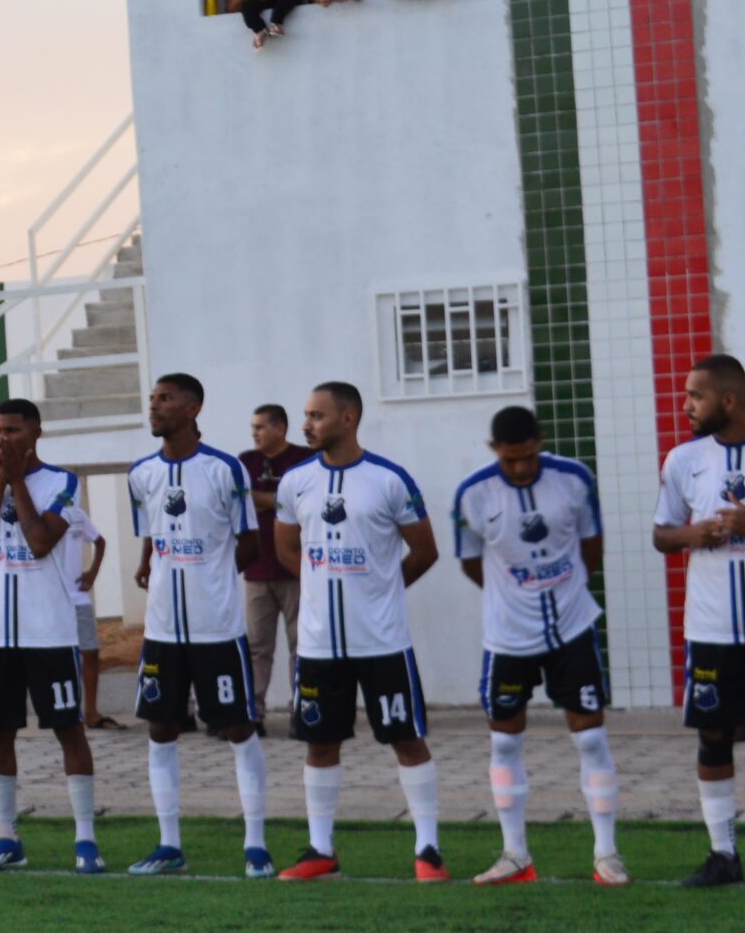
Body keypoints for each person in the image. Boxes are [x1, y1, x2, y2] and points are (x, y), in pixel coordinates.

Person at [271, 383, 443, 882]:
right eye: (305, 415)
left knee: (406, 739)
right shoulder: (294, 482)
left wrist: (381, 590)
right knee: (320, 743)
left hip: (383, 642)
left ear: (348, 419)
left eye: (317, 416)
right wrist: (319, 589)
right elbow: (287, 550)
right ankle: (320, 850)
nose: (306, 425)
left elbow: (425, 551)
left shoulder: (390, 479)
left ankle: (428, 850)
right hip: (318, 645)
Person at [454, 407, 620, 887]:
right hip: (507, 636)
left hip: (572, 627)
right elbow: (471, 563)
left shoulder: (574, 479)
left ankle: (607, 854)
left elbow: (592, 547)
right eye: (511, 460)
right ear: (494, 451)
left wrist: (561, 589)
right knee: (505, 741)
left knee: (591, 738)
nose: (522, 467)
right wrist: (515, 596)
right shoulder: (472, 493)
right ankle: (515, 855)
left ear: (540, 442)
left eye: (528, 456)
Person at [125, 374, 271, 878]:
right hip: (162, 630)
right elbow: (152, 534)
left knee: (238, 728)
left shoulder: (225, 469)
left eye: (164, 399)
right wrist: (150, 563)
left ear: (192, 409)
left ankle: (256, 844)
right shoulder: (141, 473)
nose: (154, 406)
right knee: (161, 728)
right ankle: (169, 844)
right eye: (152, 399)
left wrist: (211, 578)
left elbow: (248, 542)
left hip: (217, 630)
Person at [0, 400, 103, 873]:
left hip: (49, 633)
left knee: (69, 730)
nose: (2, 439)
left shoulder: (62, 482)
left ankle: (86, 840)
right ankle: (8, 838)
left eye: (12, 431)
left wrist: (16, 481)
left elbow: (40, 542)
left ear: (36, 433)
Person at [649, 354, 745, 889]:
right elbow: (662, 533)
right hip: (711, 629)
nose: (685, 405)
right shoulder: (683, 460)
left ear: (728, 400)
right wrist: (694, 534)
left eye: (696, 396)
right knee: (713, 737)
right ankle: (723, 855)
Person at [241, 404, 313, 709]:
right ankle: (253, 711)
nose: (254, 433)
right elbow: (238, 500)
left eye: (260, 427)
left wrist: (266, 499)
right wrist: (279, 499)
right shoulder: (246, 462)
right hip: (256, 573)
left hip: (296, 572)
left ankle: (302, 708)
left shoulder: (304, 460)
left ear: (280, 428)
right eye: (253, 428)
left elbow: (304, 502)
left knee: (302, 646)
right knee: (257, 647)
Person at [65, 497, 117, 730]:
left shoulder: (76, 514)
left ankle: (91, 711)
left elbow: (100, 541)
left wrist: (93, 572)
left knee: (90, 651)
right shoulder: (42, 517)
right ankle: (66, 709)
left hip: (78, 597)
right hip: (53, 600)